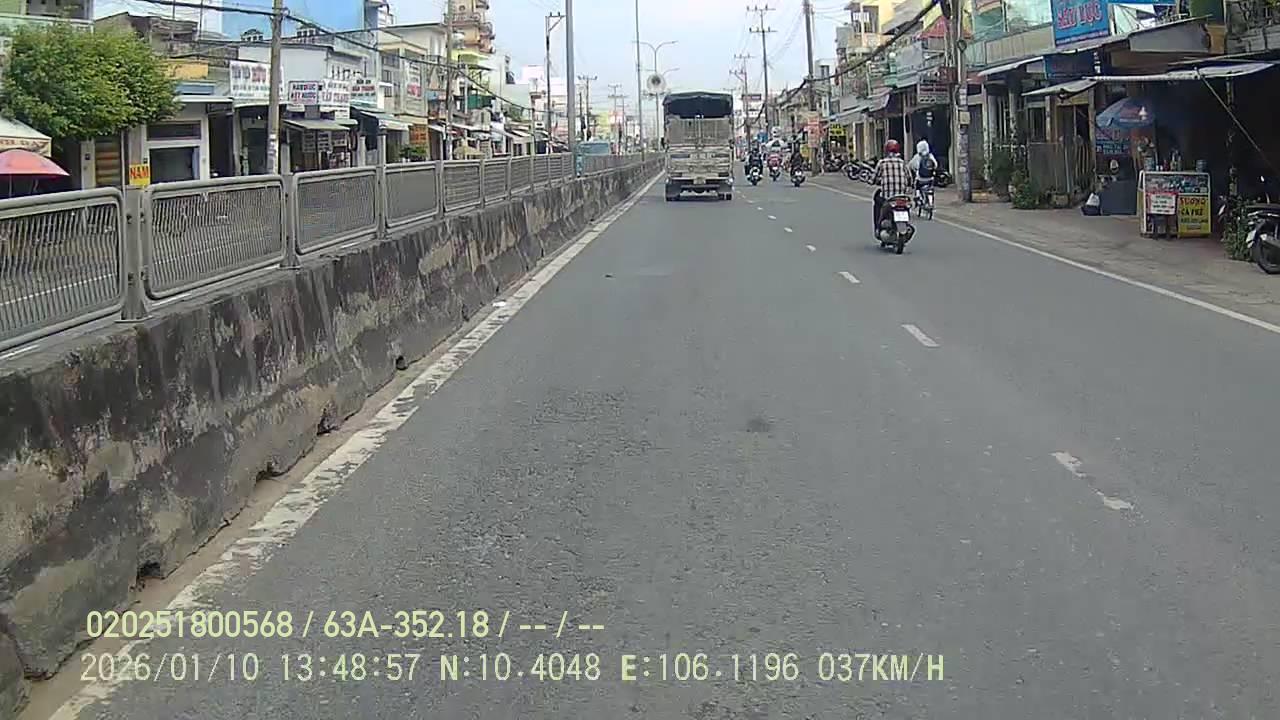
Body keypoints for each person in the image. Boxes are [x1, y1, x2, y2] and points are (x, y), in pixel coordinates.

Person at [872, 139, 914, 235]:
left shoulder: (882, 163)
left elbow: (873, 179)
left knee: (877, 201)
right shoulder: (902, 163)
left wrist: (875, 181)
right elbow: (910, 179)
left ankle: (878, 227)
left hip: (888, 198)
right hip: (902, 197)